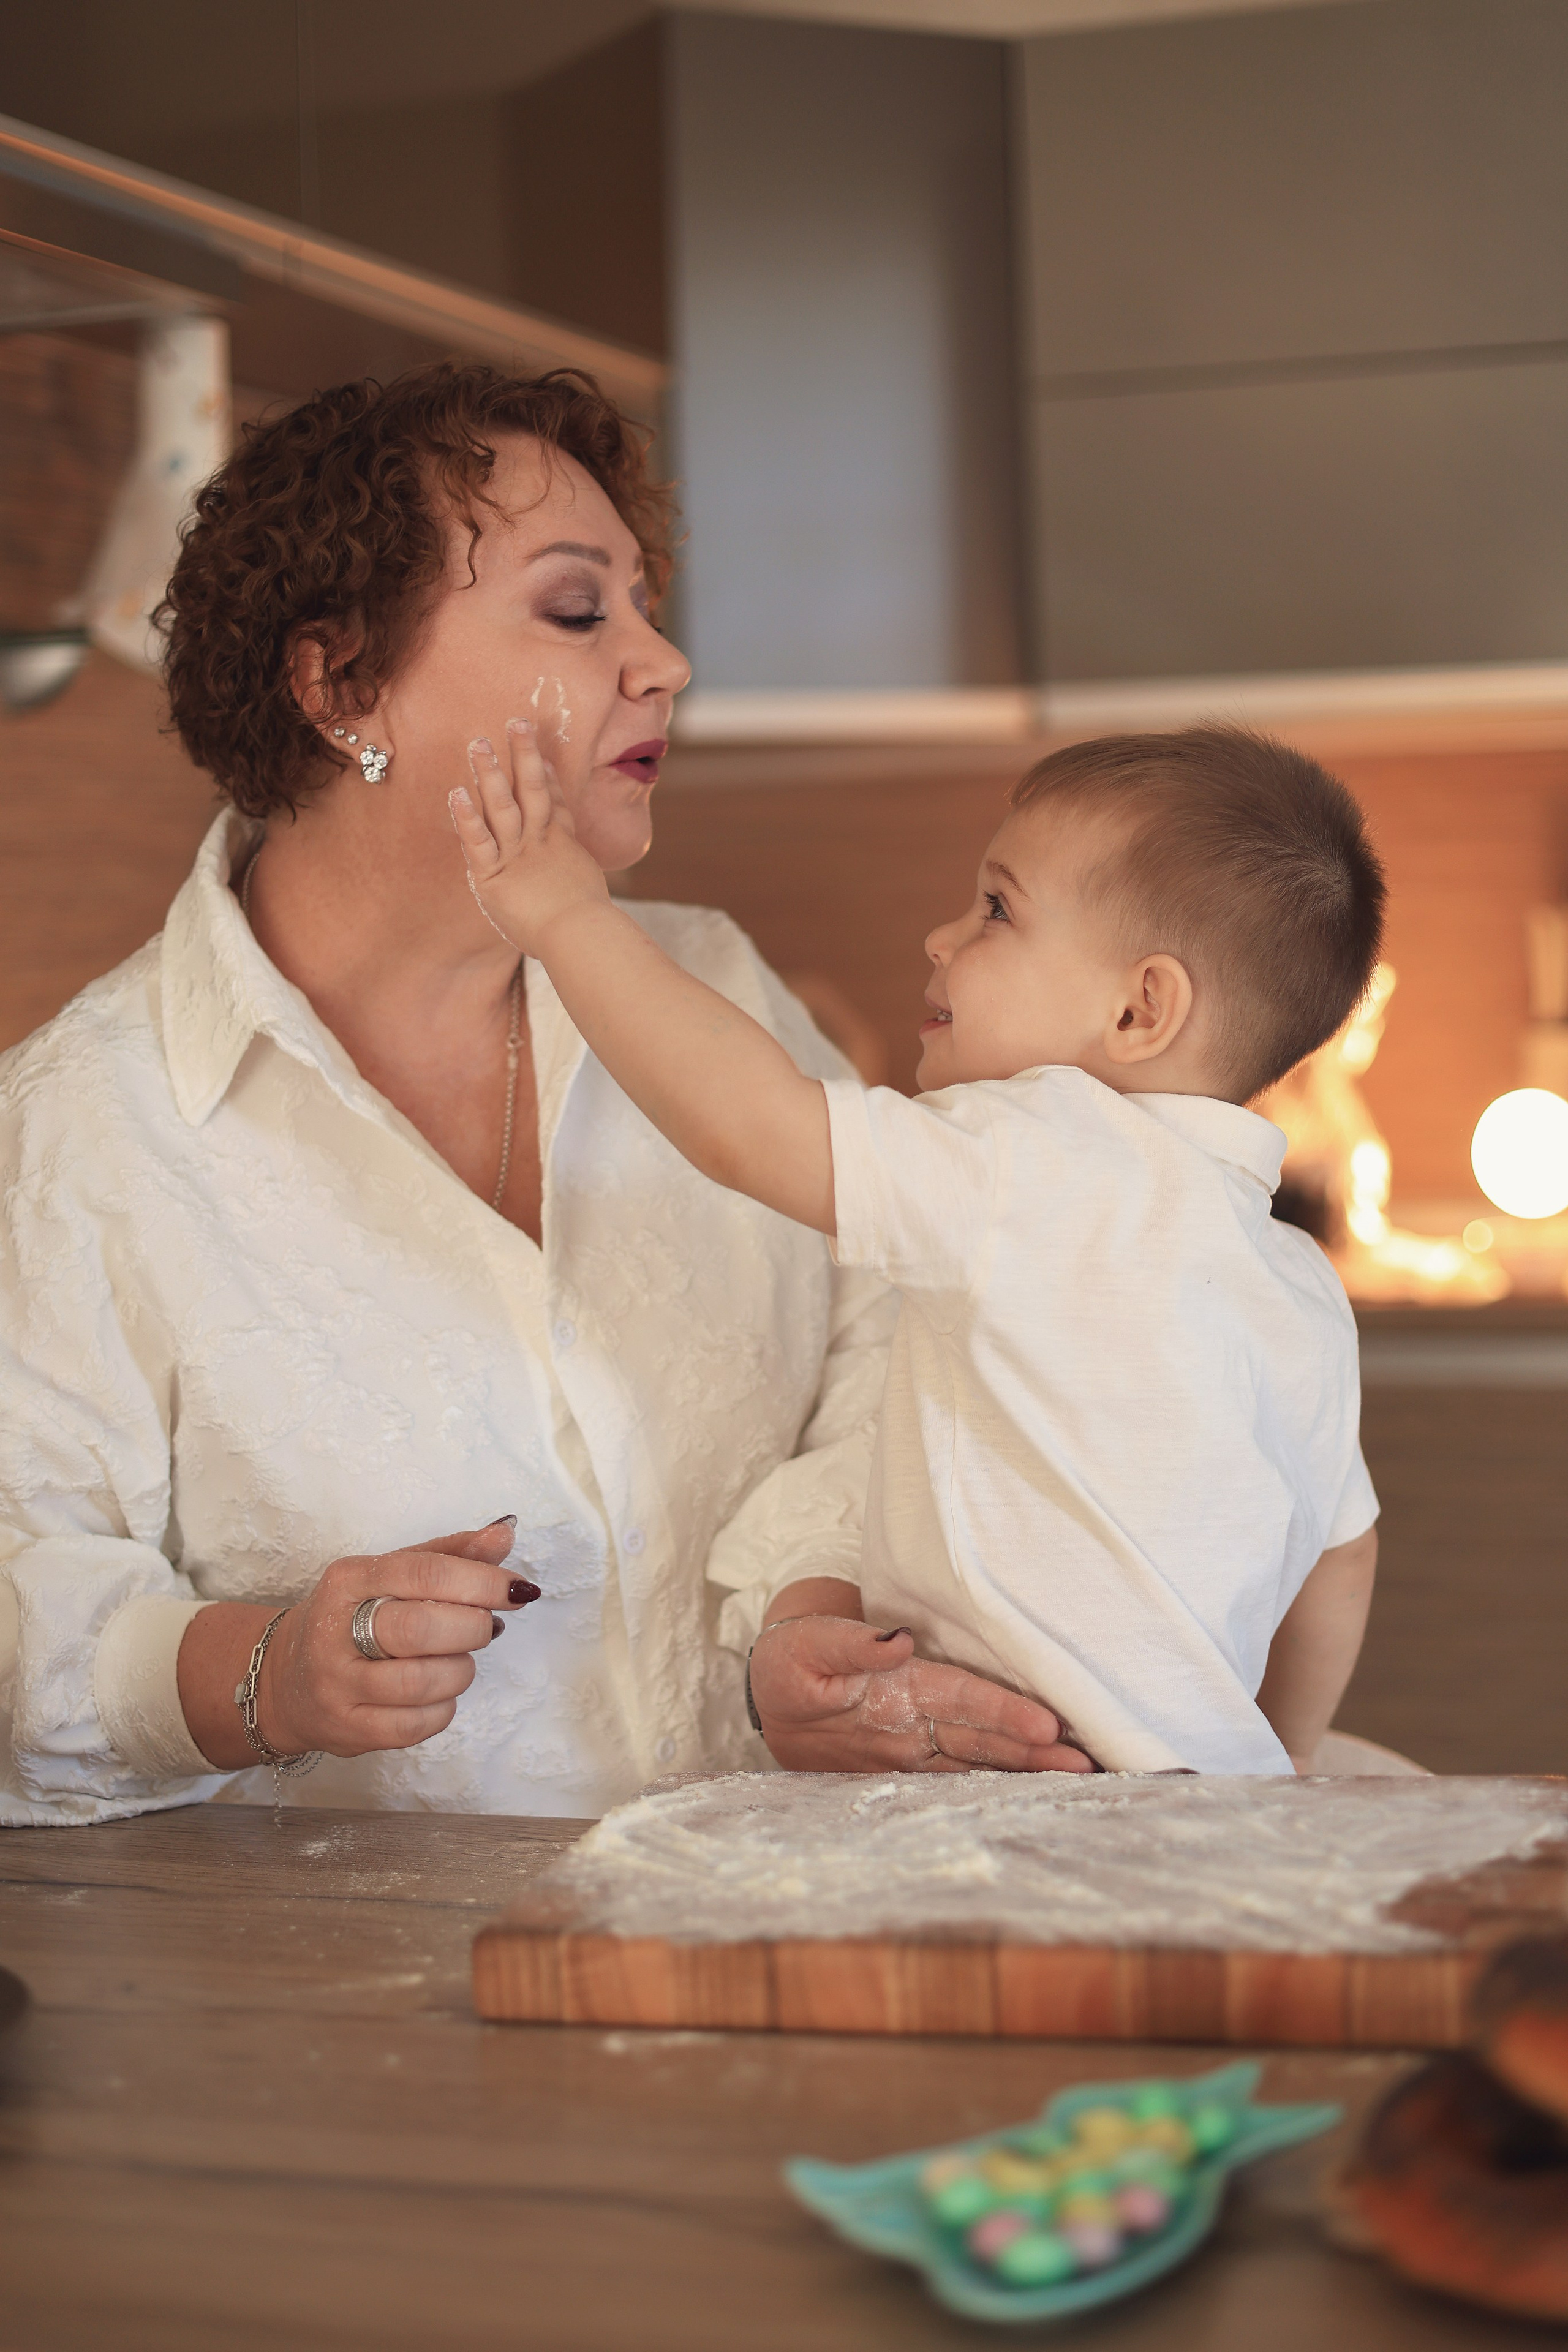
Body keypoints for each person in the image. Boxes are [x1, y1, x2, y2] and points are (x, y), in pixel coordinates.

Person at [0, 361, 1090, 1828]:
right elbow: (28, 1614)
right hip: (350, 2021)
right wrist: (262, 1673)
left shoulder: (713, 986)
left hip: (768, 1922)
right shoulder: (74, 1135)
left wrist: (805, 1606)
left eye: (643, 607)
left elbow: (896, 1324)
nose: (663, 664)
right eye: (580, 611)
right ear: (340, 687)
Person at [451, 719, 1385, 1775]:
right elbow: (1342, 1565)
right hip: (1205, 1805)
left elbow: (750, 1125)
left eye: (996, 909)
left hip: (1017, 1817)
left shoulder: (1035, 1153)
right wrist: (1287, 1771)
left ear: (1140, 1009)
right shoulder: (1300, 1284)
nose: (942, 940)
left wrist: (566, 915)